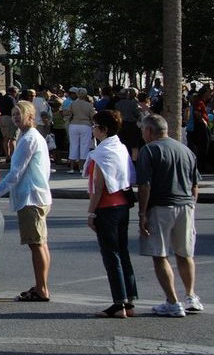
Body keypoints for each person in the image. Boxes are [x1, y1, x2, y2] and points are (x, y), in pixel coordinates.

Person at [137, 113, 203, 317]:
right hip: (185, 206)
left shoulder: (149, 150)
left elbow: (145, 184)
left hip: (161, 207)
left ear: (149, 131)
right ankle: (191, 296)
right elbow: (195, 185)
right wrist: (192, 206)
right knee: (185, 254)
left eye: (143, 130)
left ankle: (173, 302)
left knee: (160, 254)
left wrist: (142, 213)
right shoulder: (185, 150)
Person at [0, 100, 52, 302]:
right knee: (40, 243)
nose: (16, 118)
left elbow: (16, 173)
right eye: (14, 114)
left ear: (31, 117)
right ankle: (41, 285)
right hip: (36, 195)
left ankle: (42, 288)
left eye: (19, 114)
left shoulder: (29, 139)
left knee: (37, 244)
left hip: (31, 198)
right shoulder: (26, 137)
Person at [85, 109, 137, 318]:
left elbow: (98, 186)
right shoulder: (120, 147)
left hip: (107, 207)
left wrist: (91, 213)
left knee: (111, 255)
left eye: (95, 127)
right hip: (123, 204)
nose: (93, 130)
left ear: (103, 129)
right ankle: (130, 300)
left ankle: (119, 303)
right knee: (122, 252)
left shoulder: (101, 153)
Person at [68, 88, 97, 174]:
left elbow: (69, 113)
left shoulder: (73, 104)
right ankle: (81, 168)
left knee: (73, 145)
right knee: (84, 146)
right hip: (85, 125)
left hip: (73, 125)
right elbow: (93, 116)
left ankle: (72, 168)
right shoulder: (89, 105)